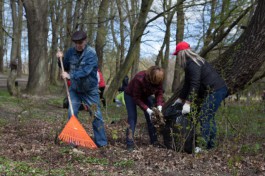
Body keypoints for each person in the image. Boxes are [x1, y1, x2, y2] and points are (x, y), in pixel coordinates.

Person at [172, 41, 228, 150]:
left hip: (216, 90)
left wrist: (188, 103)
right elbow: (187, 84)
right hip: (215, 90)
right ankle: (210, 146)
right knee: (209, 118)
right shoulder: (190, 64)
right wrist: (180, 99)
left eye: (177, 55)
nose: (177, 58)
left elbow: (195, 84)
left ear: (182, 54)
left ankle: (203, 146)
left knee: (204, 117)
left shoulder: (193, 64)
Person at [56, 30, 107, 147]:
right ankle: (73, 142)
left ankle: (102, 143)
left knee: (96, 115)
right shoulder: (70, 52)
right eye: (76, 42)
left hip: (90, 90)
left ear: (85, 40)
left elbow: (86, 71)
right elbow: (65, 66)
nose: (78, 45)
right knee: (71, 113)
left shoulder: (91, 53)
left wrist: (70, 76)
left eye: (81, 42)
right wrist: (60, 59)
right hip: (75, 90)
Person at [124, 66, 165, 151]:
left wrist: (159, 106)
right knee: (132, 118)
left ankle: (154, 141)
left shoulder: (159, 79)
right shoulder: (139, 78)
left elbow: (159, 92)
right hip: (131, 95)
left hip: (145, 96)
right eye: (154, 82)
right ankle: (129, 143)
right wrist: (147, 109)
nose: (156, 84)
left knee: (152, 118)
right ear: (150, 77)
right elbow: (136, 98)